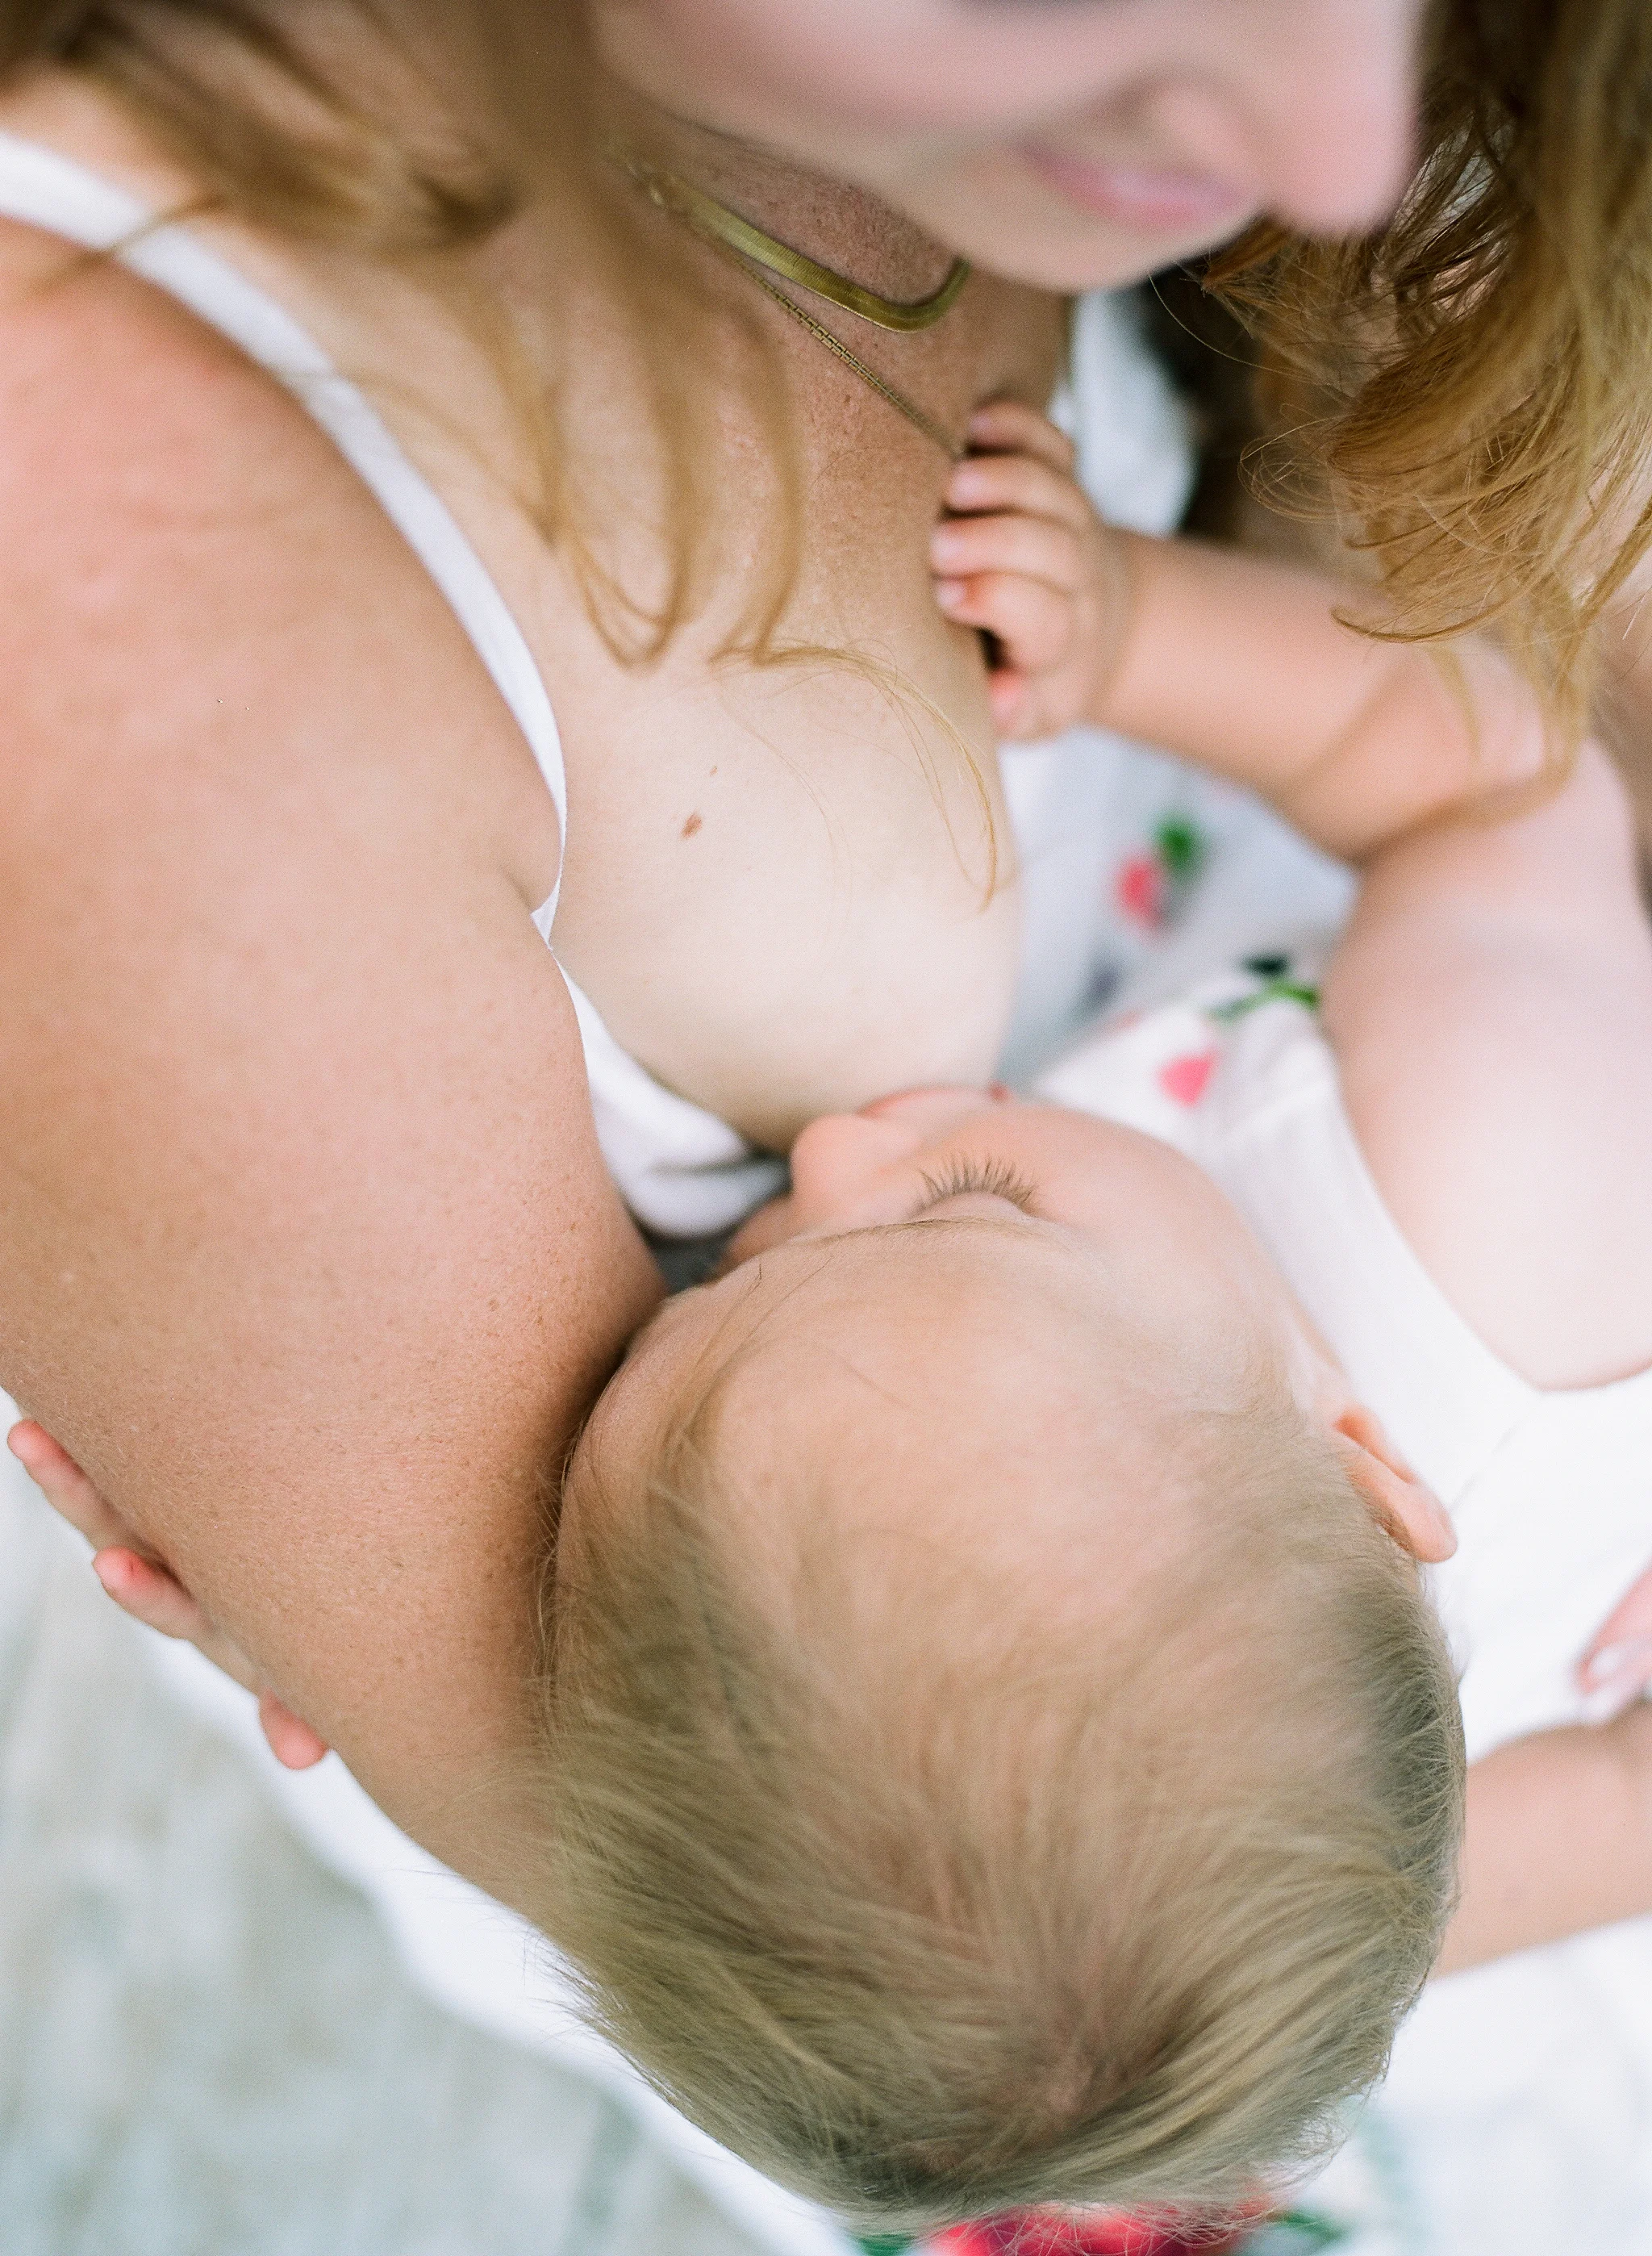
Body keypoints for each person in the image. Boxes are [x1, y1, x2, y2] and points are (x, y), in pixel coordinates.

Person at [2, 0, 1650, 2107]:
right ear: (1364, 1466)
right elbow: (1511, 781)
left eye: (738, 1265)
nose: (842, 1156)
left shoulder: (1490, 1205)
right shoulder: (1469, 1188)